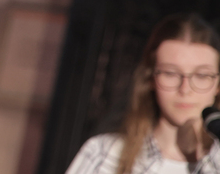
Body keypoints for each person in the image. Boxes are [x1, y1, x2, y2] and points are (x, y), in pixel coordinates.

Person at [66, 13, 220, 174]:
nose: (185, 89)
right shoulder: (104, 154)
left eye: (202, 75)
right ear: (151, 78)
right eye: (171, 73)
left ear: (218, 84)